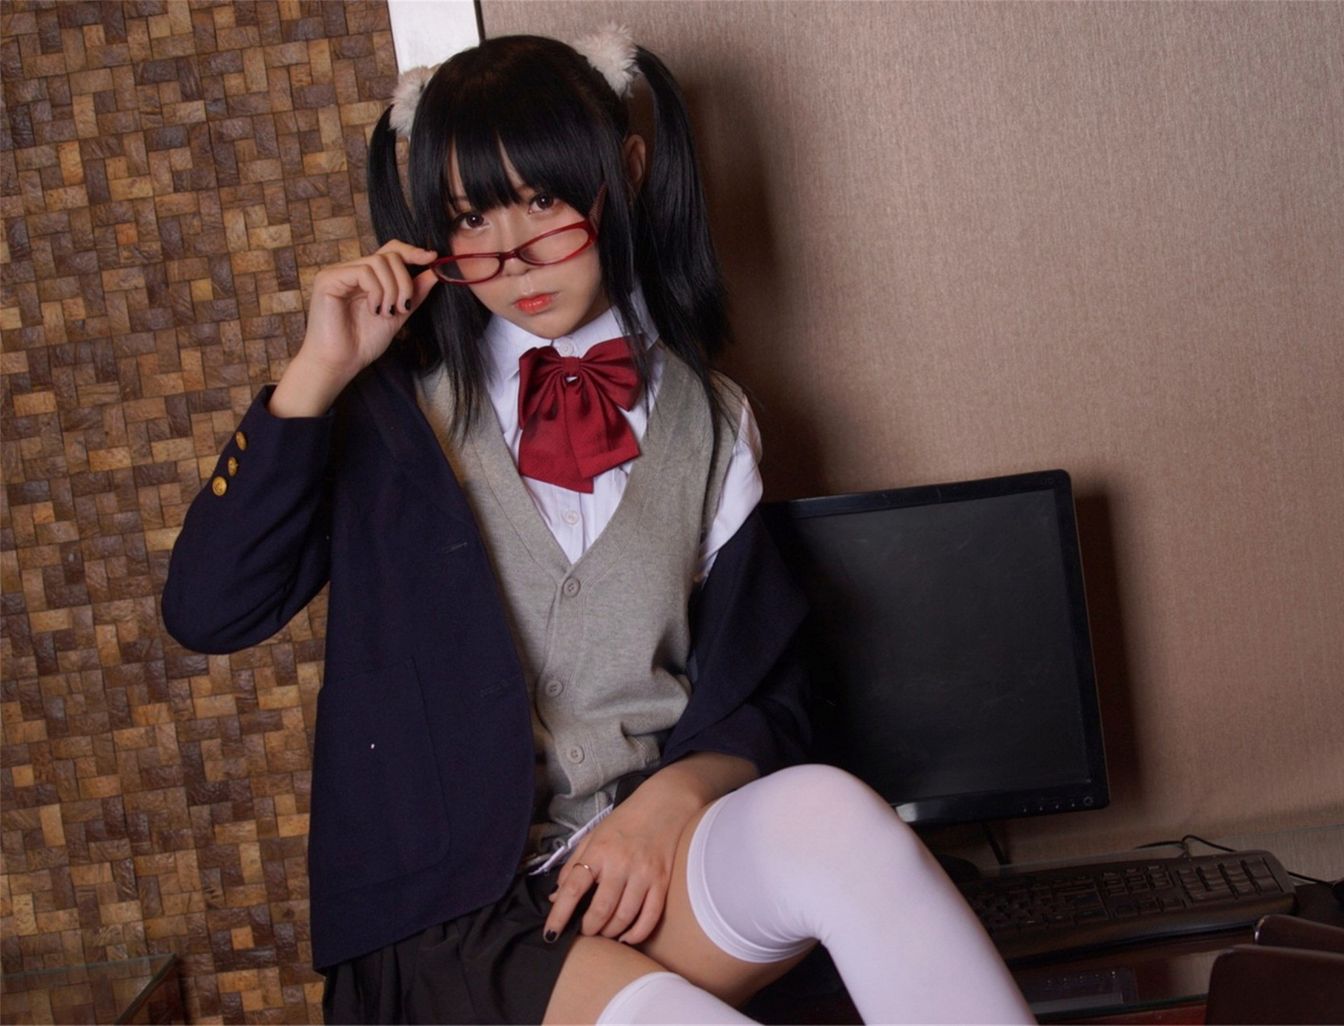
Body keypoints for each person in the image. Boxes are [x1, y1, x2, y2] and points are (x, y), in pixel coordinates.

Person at [162, 27, 1035, 1026]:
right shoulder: (383, 412)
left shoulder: (713, 420)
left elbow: (770, 690)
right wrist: (318, 373)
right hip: (451, 926)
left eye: (543, 200)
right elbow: (210, 610)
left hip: (634, 875)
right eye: (471, 217)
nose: (514, 254)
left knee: (832, 811)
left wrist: (671, 802)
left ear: (628, 170)